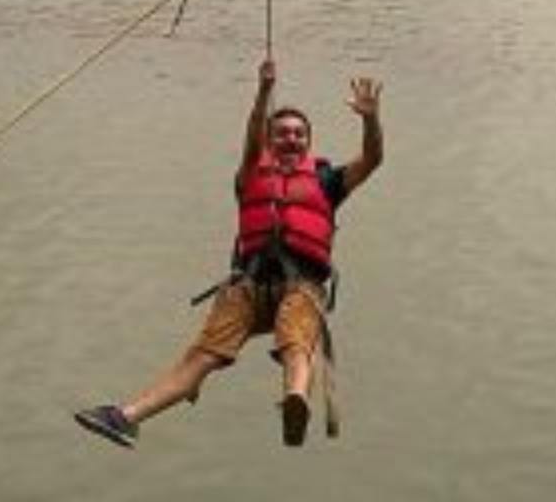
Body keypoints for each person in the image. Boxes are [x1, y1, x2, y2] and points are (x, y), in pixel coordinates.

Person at [74, 58, 384, 449]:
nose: (291, 139)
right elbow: (252, 135)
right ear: (270, 142)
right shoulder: (251, 175)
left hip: (301, 285)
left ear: (309, 142)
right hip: (248, 286)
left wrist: (370, 121)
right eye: (283, 133)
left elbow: (372, 160)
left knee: (296, 331)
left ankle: (296, 400)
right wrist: (263, 92)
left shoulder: (327, 181)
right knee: (202, 356)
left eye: (299, 134)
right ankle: (125, 417)